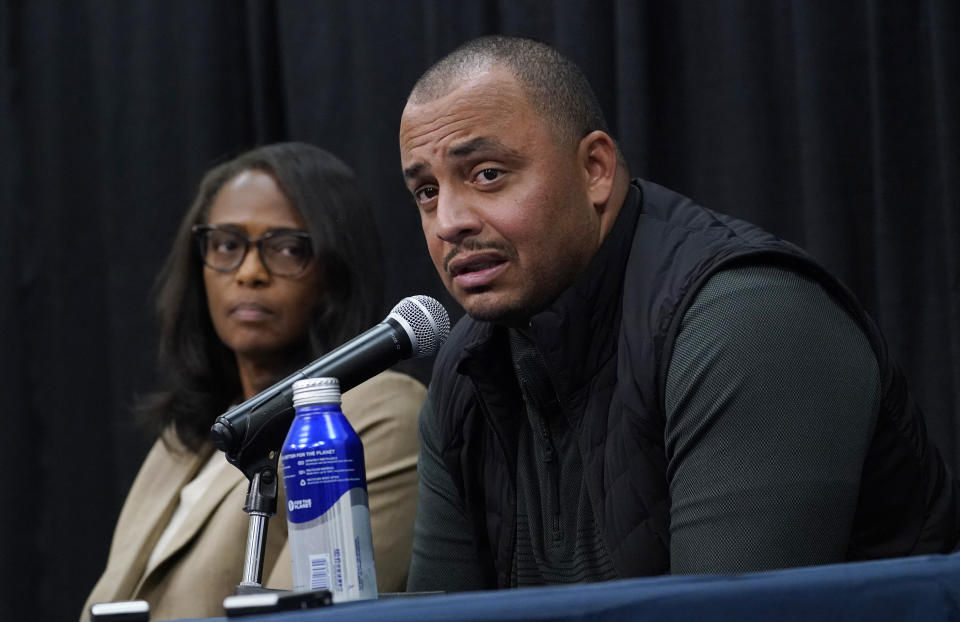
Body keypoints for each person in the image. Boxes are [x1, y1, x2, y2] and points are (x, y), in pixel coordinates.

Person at [398, 35, 960, 591]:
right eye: (426, 192)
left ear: (595, 168)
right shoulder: (467, 364)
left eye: (487, 175)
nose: (449, 221)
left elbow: (728, 615)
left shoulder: (748, 316)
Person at [83, 142, 426, 619]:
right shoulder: (181, 442)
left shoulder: (377, 412)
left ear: (335, 268)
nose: (249, 272)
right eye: (227, 244)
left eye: (286, 248)